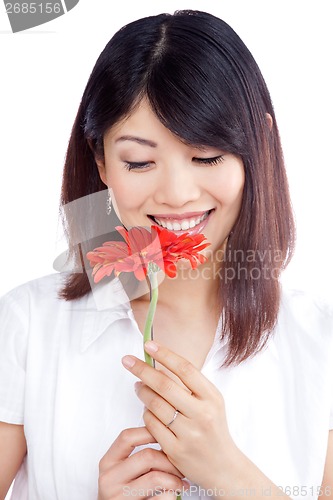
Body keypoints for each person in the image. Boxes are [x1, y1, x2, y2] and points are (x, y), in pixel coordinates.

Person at [0, 9, 332, 500]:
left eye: (207, 156)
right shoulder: (28, 324)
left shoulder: (319, 339)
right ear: (101, 162)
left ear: (259, 144)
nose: (176, 194)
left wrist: (230, 475)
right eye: (139, 161)